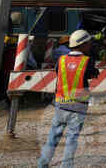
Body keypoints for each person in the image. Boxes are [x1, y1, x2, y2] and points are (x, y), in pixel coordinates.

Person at [38, 29, 100, 168]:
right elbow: (93, 74)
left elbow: (58, 73)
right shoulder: (87, 61)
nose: (90, 45)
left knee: (53, 137)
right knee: (71, 140)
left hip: (61, 103)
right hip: (78, 106)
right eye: (88, 43)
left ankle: (42, 164)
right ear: (83, 45)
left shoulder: (61, 60)